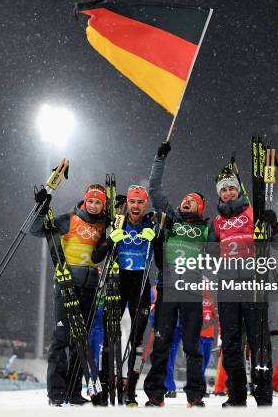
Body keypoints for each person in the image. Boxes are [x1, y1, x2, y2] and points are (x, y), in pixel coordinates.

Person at [210, 164, 278, 407]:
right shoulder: (217, 221)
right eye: (224, 190)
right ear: (219, 194)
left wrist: (274, 226)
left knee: (259, 340)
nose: (229, 193)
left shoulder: (254, 212)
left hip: (254, 282)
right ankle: (236, 396)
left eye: (232, 188)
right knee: (231, 341)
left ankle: (263, 396)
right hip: (227, 285)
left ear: (239, 190)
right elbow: (210, 255)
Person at [143, 141, 208, 408]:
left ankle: (195, 396)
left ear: (200, 208)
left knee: (192, 346)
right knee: (161, 343)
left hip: (192, 291)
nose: (186, 201)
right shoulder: (171, 218)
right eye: (185, 198)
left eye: (192, 201)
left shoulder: (206, 230)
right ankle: (155, 394)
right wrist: (160, 158)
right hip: (168, 288)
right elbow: (155, 190)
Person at [31, 184, 108, 407]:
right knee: (62, 337)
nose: (93, 206)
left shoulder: (105, 225)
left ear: (103, 205)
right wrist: (41, 207)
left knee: (80, 341)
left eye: (98, 202)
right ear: (85, 201)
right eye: (90, 201)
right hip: (67, 283)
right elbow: (38, 230)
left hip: (90, 287)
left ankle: (73, 392)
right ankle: (56, 392)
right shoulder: (71, 218)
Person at [91, 185, 156, 406]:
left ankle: (130, 390)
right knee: (110, 337)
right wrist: (111, 240)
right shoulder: (116, 223)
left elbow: (161, 261)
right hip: (118, 281)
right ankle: (105, 386)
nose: (136, 206)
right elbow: (96, 255)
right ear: (127, 203)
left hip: (140, 283)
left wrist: (155, 240)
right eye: (132, 202)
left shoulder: (151, 223)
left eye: (140, 202)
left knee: (137, 341)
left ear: (145, 204)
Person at [199, 290, 218, 396]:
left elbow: (214, 317)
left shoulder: (211, 301)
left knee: (204, 363)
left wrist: (212, 321)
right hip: (200, 336)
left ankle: (199, 386)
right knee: (200, 364)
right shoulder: (195, 299)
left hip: (209, 337)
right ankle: (200, 388)